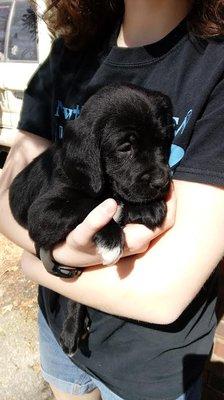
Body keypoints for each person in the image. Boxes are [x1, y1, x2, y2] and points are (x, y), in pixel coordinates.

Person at [1, 0, 224, 399]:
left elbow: (163, 297)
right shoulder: (73, 49)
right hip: (57, 328)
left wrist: (39, 263)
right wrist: (60, 256)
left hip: (150, 368)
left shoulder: (216, 66)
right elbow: (9, 196)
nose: (158, 173)